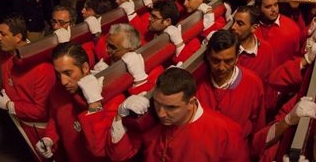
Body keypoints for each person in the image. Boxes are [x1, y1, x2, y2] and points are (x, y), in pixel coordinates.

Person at [106, 67, 250, 161]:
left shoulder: (226, 131)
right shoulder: (151, 118)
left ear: (191, 102)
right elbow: (120, 156)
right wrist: (120, 115)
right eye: (157, 103)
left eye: (171, 107)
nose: (161, 114)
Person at [36, 43, 121, 161]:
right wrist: (49, 138)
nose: (63, 81)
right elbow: (55, 118)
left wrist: (94, 105)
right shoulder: (57, 90)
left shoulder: (111, 95)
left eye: (68, 73)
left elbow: (102, 149)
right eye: (58, 74)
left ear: (85, 68)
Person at [0, 15, 56, 154]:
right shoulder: (5, 51)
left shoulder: (42, 68)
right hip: (18, 119)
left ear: (18, 37)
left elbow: (41, 111)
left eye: (3, 34)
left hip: (37, 129)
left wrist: (9, 106)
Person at [196, 30, 266, 142]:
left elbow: (258, 125)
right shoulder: (197, 85)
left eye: (228, 61)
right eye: (216, 60)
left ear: (237, 57)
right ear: (208, 56)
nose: (221, 67)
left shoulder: (253, 83)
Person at [230, 5, 276, 84]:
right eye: (233, 21)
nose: (233, 27)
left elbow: (267, 82)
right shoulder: (227, 49)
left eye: (240, 24)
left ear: (254, 28)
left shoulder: (266, 49)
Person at [254, 0, 301, 65]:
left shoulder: (292, 28)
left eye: (275, 5)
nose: (274, 10)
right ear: (258, 8)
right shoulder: (250, 27)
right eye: (268, 7)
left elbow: (296, 58)